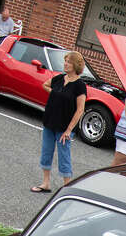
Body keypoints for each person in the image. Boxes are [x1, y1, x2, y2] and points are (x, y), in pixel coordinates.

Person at [31, 50, 87, 192]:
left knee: (64, 156)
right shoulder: (59, 78)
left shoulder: (80, 85)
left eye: (69, 61)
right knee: (46, 152)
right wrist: (56, 93)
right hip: (49, 122)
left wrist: (69, 130)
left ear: (75, 65)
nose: (65, 64)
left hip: (64, 128)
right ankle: (45, 183)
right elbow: (45, 85)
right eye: (65, 61)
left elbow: (80, 109)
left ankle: (66, 188)